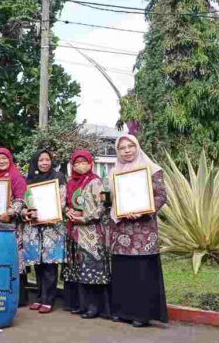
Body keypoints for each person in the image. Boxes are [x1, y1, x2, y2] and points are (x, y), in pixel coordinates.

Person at [109, 135, 168, 327]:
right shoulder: (114, 172)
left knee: (141, 270)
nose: (126, 151)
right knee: (123, 269)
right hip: (121, 228)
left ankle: (141, 314)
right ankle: (122, 311)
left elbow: (160, 196)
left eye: (130, 146)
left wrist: (144, 210)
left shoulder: (152, 169)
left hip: (143, 228)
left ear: (137, 147)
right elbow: (110, 200)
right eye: (122, 148)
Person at [63, 150, 110, 320]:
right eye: (76, 162)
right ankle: (81, 304)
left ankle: (94, 307)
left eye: (84, 162)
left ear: (91, 163)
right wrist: (68, 211)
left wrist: (86, 218)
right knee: (79, 270)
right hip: (74, 232)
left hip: (91, 233)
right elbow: (66, 203)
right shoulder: (70, 183)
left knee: (92, 269)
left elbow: (103, 205)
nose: (80, 165)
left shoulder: (95, 182)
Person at [22, 150, 67, 314]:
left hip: (52, 228)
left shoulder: (59, 177)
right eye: (41, 160)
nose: (44, 163)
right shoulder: (30, 180)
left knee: (50, 264)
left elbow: (61, 201)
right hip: (34, 227)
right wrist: (28, 212)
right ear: (36, 162)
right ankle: (40, 297)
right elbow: (26, 201)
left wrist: (51, 214)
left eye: (47, 159)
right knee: (38, 264)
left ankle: (49, 300)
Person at [0, 148, 28, 306]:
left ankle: (20, 297)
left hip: (12, 224)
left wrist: (11, 213)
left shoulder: (17, 177)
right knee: (0, 257)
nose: (1, 161)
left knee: (15, 257)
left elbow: (21, 199)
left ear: (10, 159)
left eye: (4, 158)